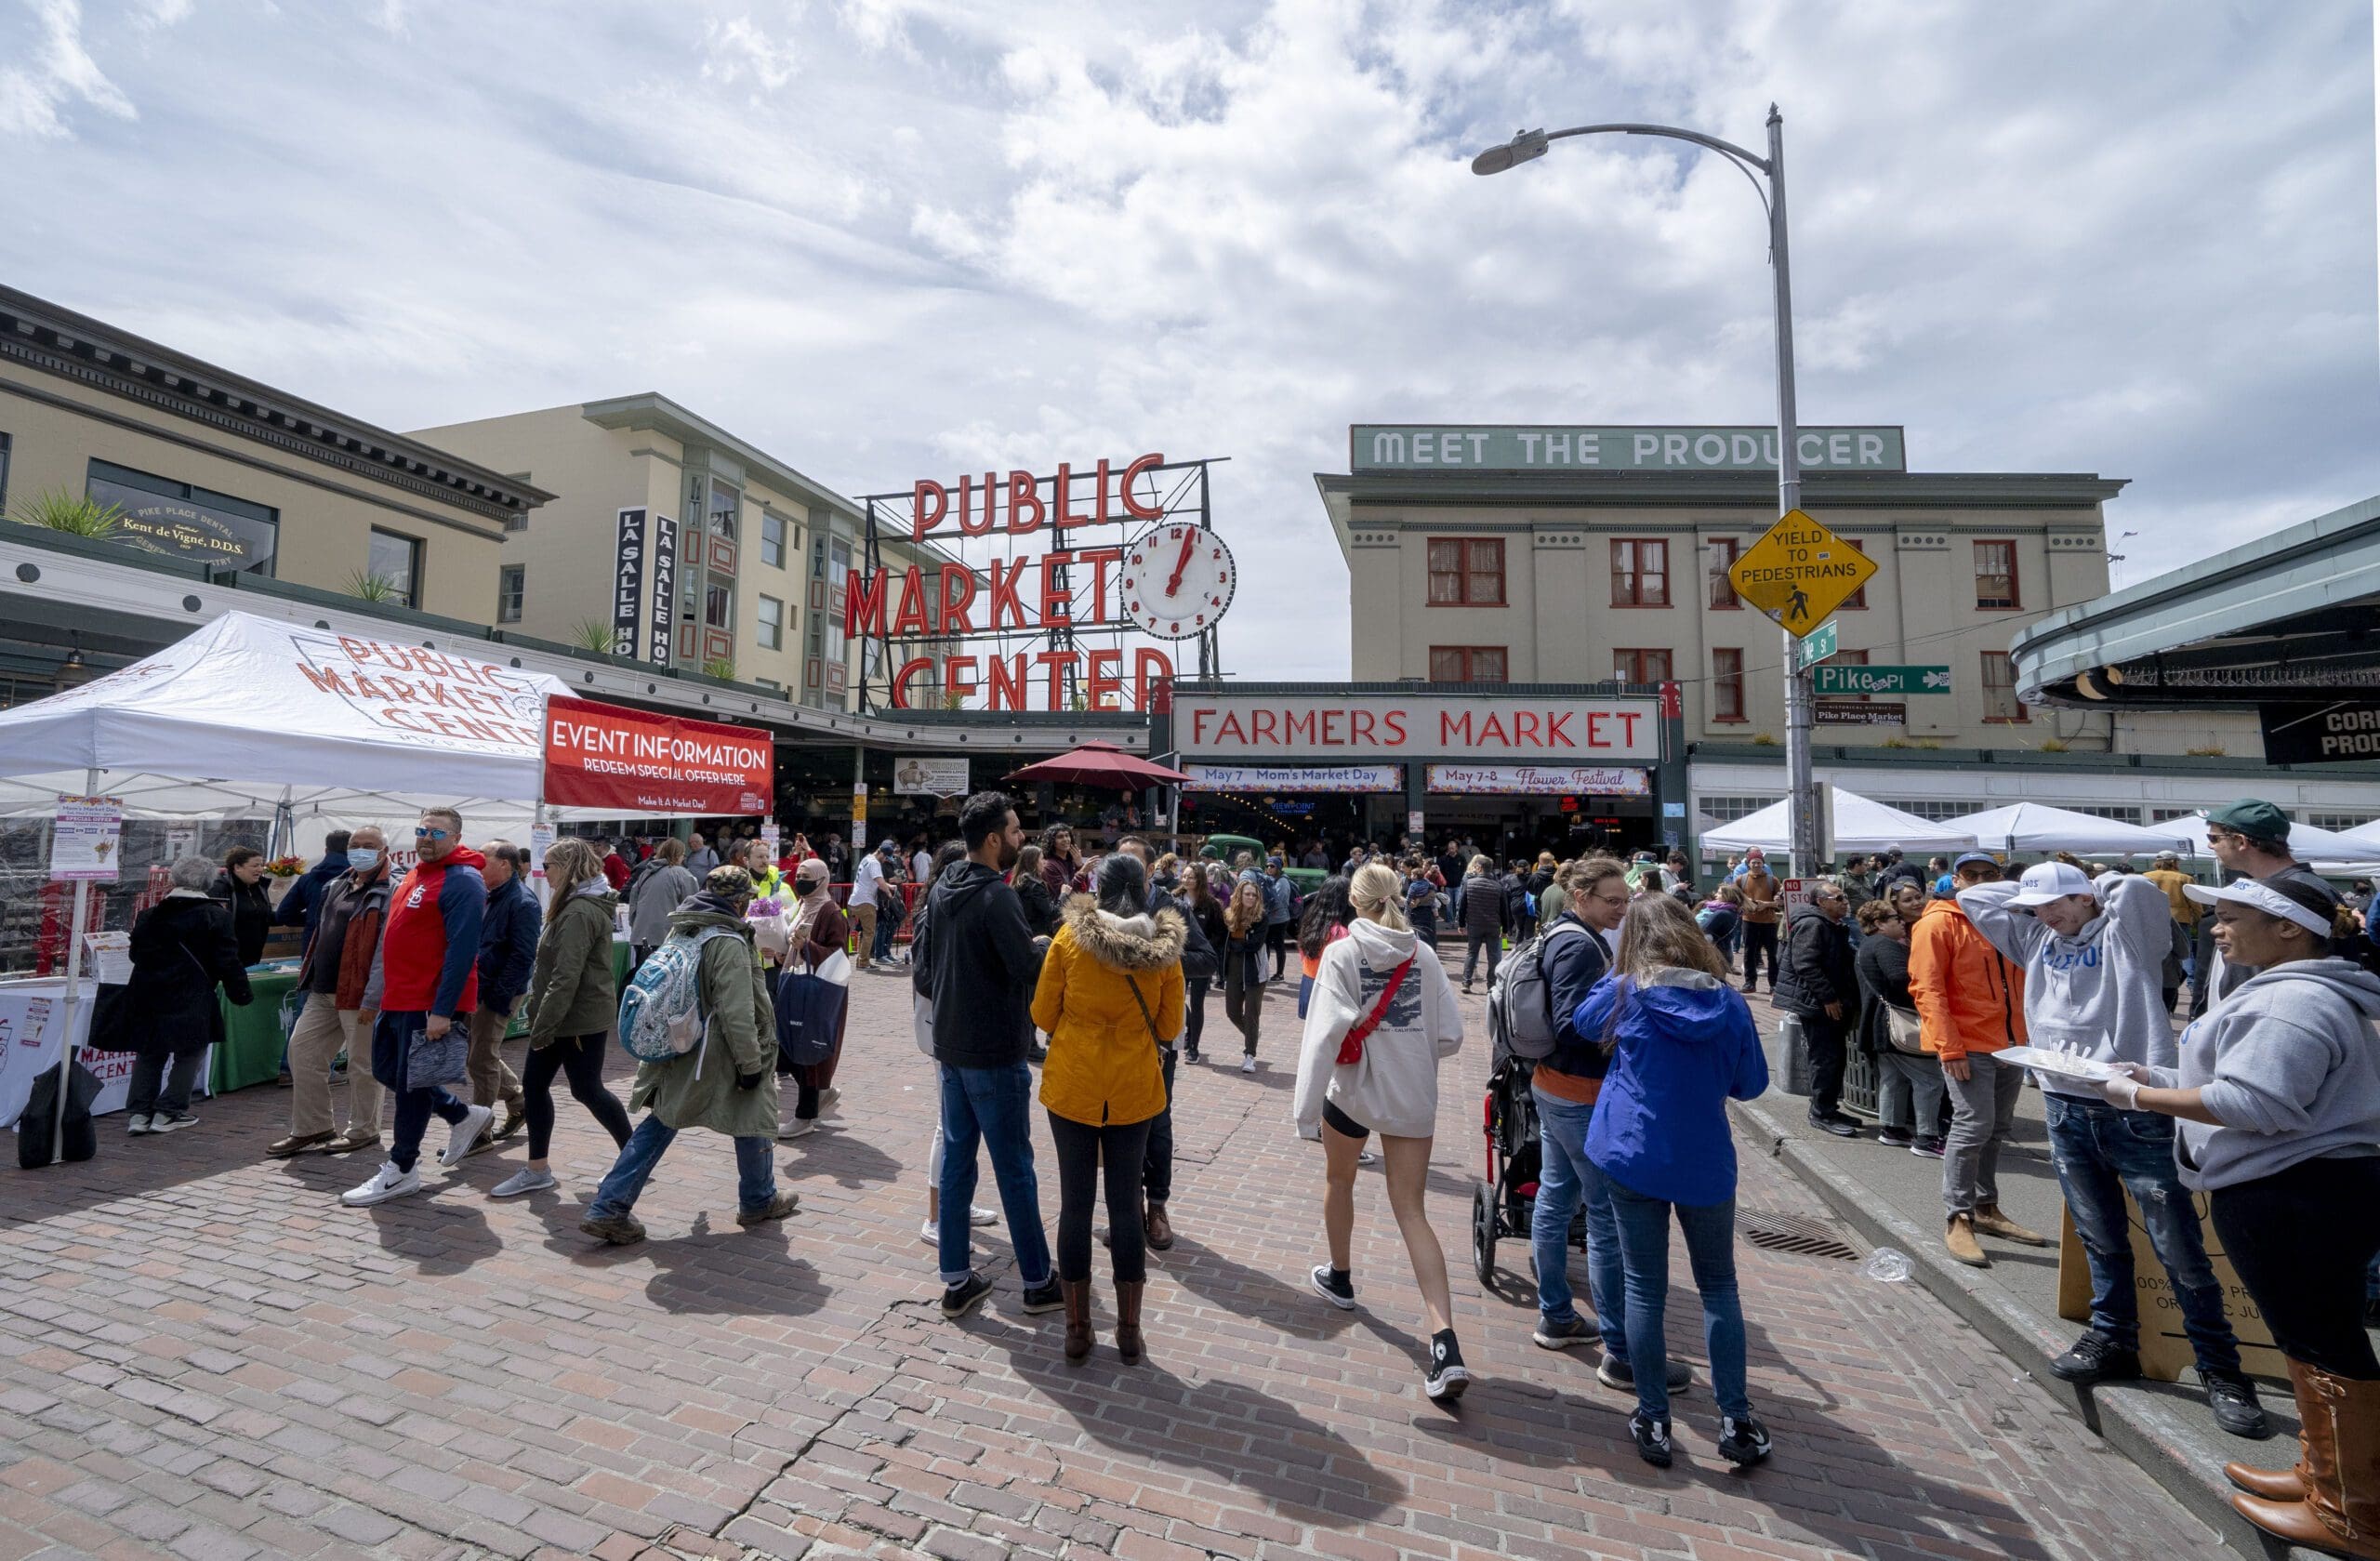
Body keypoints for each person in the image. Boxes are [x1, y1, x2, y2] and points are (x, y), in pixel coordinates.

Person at [2100, 874, 2380, 1553]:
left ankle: (2352, 1513)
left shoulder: (2292, 999)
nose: (2216, 930)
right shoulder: (2306, 990)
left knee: (2323, 1343)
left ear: (2290, 928)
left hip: (2292, 1193)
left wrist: (2140, 1100)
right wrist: (2161, 1081)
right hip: (2312, 1188)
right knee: (2316, 1338)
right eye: (2216, 917)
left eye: (2230, 917)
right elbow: (2257, 1084)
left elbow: (2257, 1104)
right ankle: (2324, 1475)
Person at [1963, 861, 2266, 1437]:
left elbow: (2136, 891)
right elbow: (1980, 900)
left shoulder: (2125, 932)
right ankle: (2112, 1336)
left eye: (2059, 902)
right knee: (2098, 1232)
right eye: (2037, 906)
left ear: (2086, 897)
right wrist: (2039, 894)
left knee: (2175, 1242)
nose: (2046, 914)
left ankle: (2221, 1367)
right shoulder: (2035, 937)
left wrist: (2092, 883)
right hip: (2062, 1101)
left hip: (2132, 1101)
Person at [1576, 892, 1773, 1470]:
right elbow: (1750, 1084)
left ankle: (1654, 1415)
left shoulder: (1626, 991)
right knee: (1719, 1287)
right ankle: (1734, 1417)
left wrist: (1622, 972)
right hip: (1703, 1157)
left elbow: (1583, 1023)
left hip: (1632, 1149)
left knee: (1644, 1285)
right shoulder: (1730, 1004)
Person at [1295, 863, 1469, 1402]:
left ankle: (1340, 1276)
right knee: (1411, 1210)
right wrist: (1409, 1051)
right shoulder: (1425, 954)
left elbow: (1322, 1038)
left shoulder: (1342, 953)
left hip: (1351, 1091)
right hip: (1412, 1093)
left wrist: (1305, 1114)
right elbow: (1451, 1036)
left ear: (1354, 899)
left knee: (1339, 1181)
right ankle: (1444, 1340)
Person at [1531, 857, 1697, 1396]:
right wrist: (1629, 1027)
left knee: (1556, 1197)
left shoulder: (1563, 933)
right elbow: (1570, 1023)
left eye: (1624, 901)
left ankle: (1556, 1314)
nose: (1621, 909)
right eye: (1610, 900)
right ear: (1580, 896)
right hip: (1578, 1090)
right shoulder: (1580, 945)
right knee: (1603, 1218)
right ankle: (1621, 1354)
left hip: (1555, 1086)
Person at [576, 865, 801, 1242]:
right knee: (754, 1111)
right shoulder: (727, 941)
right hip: (716, 1052)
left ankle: (610, 1205)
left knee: (664, 1121)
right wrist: (751, 1063)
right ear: (740, 900)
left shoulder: (684, 928)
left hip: (681, 1042)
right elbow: (737, 1012)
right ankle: (758, 1199)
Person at [1031, 853, 1184, 1363]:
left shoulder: (1070, 939)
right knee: (1125, 1205)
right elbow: (1167, 1029)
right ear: (1144, 890)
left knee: (1074, 1205)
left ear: (1097, 888)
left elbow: (1042, 1012)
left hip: (1073, 1085)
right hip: (1134, 1089)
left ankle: (1077, 1329)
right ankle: (1128, 1329)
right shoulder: (1164, 951)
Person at [923, 792, 1064, 1321]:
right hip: (992, 1050)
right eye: (1014, 830)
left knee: (959, 1162)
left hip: (952, 1045)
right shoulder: (996, 896)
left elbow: (927, 963)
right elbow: (1027, 969)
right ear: (991, 840)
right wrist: (1045, 946)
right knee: (1014, 1168)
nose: (1021, 836)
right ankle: (1036, 1279)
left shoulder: (942, 887)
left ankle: (956, 1278)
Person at [340, 809, 496, 1208]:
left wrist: (443, 1010)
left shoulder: (464, 881)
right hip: (398, 996)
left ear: (457, 836)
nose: (426, 838)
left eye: (437, 832)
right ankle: (461, 1115)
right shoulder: (415, 874)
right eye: (421, 830)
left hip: (427, 1001)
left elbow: (463, 952)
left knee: (411, 1086)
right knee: (386, 1071)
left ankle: (402, 1167)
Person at [486, 840, 633, 1198]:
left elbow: (566, 976)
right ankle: (538, 1168)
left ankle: (635, 1156)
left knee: (586, 1089)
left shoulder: (579, 911)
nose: (543, 872)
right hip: (567, 1015)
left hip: (575, 1018)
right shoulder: (574, 905)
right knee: (538, 1088)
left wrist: (544, 1026)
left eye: (549, 865)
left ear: (567, 868)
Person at [1909, 853, 2031, 1267]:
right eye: (1971, 874)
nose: (1981, 880)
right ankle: (1958, 1215)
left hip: (2011, 1043)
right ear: (1956, 880)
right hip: (1969, 1043)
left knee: (1996, 1127)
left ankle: (1985, 1207)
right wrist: (1949, 1047)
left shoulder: (2008, 918)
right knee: (1973, 1124)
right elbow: (1927, 989)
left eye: (1989, 874)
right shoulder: (1938, 923)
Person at [272, 826, 390, 1157]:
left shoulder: (392, 888)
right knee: (303, 1053)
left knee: (362, 1065)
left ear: (384, 851)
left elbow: (386, 948)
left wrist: (375, 994)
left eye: (369, 845)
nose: (361, 850)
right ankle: (313, 1127)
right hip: (322, 988)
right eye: (356, 845)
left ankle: (364, 1129)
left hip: (361, 992)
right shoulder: (335, 884)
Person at [124, 855, 254, 1135]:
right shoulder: (215, 915)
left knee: (150, 1053)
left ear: (174, 879)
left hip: (149, 993)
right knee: (190, 1052)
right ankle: (169, 1111)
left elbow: (135, 955)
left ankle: (139, 1114)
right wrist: (240, 993)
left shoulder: (149, 915)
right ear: (208, 882)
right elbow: (227, 960)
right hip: (192, 994)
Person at [2195, 800, 2329, 1017]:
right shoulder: (2265, 885)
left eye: (2214, 838)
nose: (2210, 845)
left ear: (2240, 841)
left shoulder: (2301, 891)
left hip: (2269, 1019)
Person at [464, 840, 538, 1149]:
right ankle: (519, 1101)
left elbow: (522, 957)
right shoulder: (489, 895)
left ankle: (478, 1133)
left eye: (484, 860)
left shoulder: (523, 902)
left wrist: (498, 999)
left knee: (481, 1061)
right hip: (480, 987)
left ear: (505, 864)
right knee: (480, 1056)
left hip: (498, 991)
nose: (476, 866)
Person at [1855, 896, 1941, 1154]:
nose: (1902, 922)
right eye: (1895, 918)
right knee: (1930, 1079)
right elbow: (1899, 977)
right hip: (1897, 1025)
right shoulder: (1885, 944)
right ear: (1879, 923)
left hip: (1881, 1024)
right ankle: (1927, 1137)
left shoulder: (1868, 945)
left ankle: (1892, 1129)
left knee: (1894, 1079)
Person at [1775, 877, 1860, 1138]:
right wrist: (1828, 998)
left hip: (1833, 1001)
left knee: (1835, 1058)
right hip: (1818, 1005)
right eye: (1838, 899)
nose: (1845, 903)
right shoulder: (1813, 924)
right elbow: (1806, 964)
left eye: (1845, 898)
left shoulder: (1833, 925)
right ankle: (1821, 1113)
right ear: (1821, 902)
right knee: (1825, 1058)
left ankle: (1828, 1107)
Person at [775, 857, 851, 1140]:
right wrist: (783, 951)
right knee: (785, 1050)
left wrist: (808, 947)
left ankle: (806, 1115)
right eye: (799, 874)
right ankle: (821, 1092)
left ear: (822, 880)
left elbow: (838, 953)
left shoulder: (831, 912)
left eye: (807, 876)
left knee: (805, 1049)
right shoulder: (802, 905)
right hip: (794, 981)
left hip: (818, 990)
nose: (801, 880)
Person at [273, 830, 351, 954]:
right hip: (351, 944)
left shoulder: (308, 879)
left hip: (314, 945)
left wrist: (314, 918)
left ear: (326, 850)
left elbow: (283, 914)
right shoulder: (362, 878)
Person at [628, 838, 697, 971]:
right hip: (666, 939)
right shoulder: (682, 874)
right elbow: (693, 909)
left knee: (643, 981)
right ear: (678, 855)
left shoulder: (645, 873)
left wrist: (635, 925)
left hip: (640, 937)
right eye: (683, 855)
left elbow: (633, 902)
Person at [1222, 880, 1268, 1073]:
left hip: (1254, 968)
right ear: (1239, 895)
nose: (1250, 898)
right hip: (1233, 967)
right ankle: (1252, 1034)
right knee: (1232, 1011)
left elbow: (1255, 943)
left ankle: (1250, 1054)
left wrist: (1238, 945)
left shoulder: (1262, 917)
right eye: (1247, 894)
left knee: (1252, 1012)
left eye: (1254, 895)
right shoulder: (1229, 915)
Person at [211, 845, 273, 969]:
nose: (260, 869)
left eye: (261, 865)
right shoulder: (221, 888)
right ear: (237, 867)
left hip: (253, 957)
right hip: (228, 959)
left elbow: (264, 915)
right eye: (255, 866)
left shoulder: (260, 888)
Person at [1458, 854, 1508, 995]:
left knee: (1471, 953)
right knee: (1494, 956)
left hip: (1474, 924)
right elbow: (1504, 910)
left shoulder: (1470, 883)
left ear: (1479, 868)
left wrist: (1461, 923)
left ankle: (1466, 982)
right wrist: (1505, 929)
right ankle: (1491, 985)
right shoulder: (1498, 886)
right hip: (1493, 925)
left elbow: (1463, 905)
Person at [1735, 849, 1782, 994]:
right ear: (1748, 864)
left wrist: (1766, 904)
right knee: (1749, 952)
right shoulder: (1741, 879)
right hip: (1749, 921)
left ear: (1763, 864)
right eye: (1753, 862)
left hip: (1769, 921)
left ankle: (1774, 984)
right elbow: (1735, 900)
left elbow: (1780, 903)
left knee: (1772, 954)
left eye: (1759, 862)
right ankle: (1750, 982)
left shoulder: (1772, 880)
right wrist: (1746, 903)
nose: (1756, 865)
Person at [847, 837, 886, 972]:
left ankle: (860, 959)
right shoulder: (875, 863)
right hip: (866, 902)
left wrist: (889, 886)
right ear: (881, 853)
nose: (885, 860)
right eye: (886, 857)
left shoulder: (866, 859)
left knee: (856, 931)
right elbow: (880, 882)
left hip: (854, 900)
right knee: (869, 932)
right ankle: (863, 962)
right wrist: (890, 895)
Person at [1012, 842, 1061, 937]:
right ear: (1033, 861)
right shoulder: (1035, 886)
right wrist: (1064, 895)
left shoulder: (1019, 882)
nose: (1044, 862)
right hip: (1038, 936)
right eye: (1042, 858)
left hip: (1023, 933)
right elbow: (1052, 913)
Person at [1697, 883, 1743, 976]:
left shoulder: (1722, 913)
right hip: (1725, 951)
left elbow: (1702, 929)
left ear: (1727, 896)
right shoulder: (1734, 911)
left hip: (1716, 954)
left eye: (1719, 893)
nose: (1716, 895)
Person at [1263, 857, 1297, 980]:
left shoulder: (1282, 882)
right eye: (1267, 866)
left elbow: (1279, 901)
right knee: (1266, 944)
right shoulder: (1270, 880)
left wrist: (1265, 908)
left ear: (1278, 868)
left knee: (1278, 945)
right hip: (1271, 917)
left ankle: (1279, 973)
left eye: (1272, 866)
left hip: (1279, 919)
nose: (1269, 868)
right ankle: (1265, 971)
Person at [1040, 825, 1082, 901]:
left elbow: (1084, 889)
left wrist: (1079, 866)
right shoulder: (1049, 866)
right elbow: (1062, 895)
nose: (1065, 839)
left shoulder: (1072, 862)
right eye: (1060, 837)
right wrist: (1082, 872)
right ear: (1052, 841)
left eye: (1067, 835)